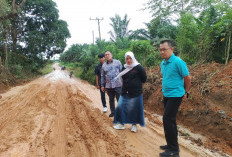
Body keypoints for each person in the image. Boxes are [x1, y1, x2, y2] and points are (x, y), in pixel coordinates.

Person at [159, 40, 191, 157]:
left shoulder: (178, 62)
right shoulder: (163, 63)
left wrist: (186, 92)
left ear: (171, 49)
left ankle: (174, 151)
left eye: (164, 49)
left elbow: (187, 78)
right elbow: (167, 77)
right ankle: (170, 145)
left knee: (168, 119)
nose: (162, 52)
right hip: (166, 94)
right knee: (169, 121)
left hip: (176, 95)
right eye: (160, 49)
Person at [113, 51, 147, 133]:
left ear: (133, 58)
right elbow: (123, 79)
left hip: (135, 92)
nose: (128, 60)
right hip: (125, 91)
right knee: (121, 106)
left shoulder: (138, 67)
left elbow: (144, 79)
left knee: (134, 108)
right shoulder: (124, 68)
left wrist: (135, 84)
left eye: (130, 58)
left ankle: (134, 125)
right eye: (127, 58)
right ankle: (121, 124)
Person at [101, 51, 122, 117]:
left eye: (108, 54)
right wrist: (102, 85)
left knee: (119, 99)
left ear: (111, 55)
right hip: (108, 85)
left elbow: (122, 72)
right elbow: (102, 76)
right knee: (111, 99)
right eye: (105, 55)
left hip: (117, 84)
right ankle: (113, 112)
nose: (107, 55)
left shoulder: (117, 62)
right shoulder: (104, 65)